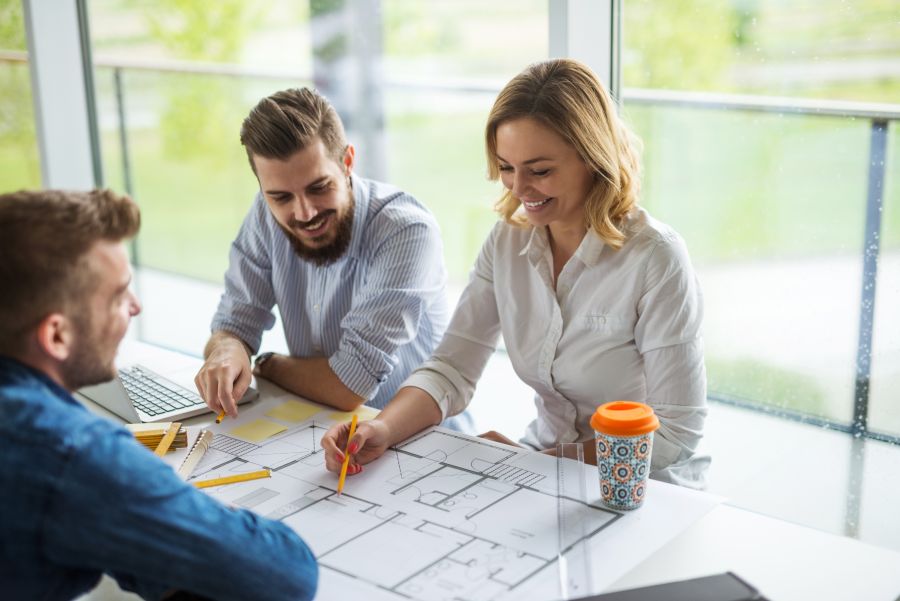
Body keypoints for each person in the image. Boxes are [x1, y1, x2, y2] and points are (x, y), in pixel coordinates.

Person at [322, 58, 710, 489]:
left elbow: (676, 433)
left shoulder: (656, 257)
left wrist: (537, 463)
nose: (519, 189)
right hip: (543, 462)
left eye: (540, 171)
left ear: (592, 157)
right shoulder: (508, 242)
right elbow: (451, 368)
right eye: (506, 167)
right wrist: (383, 429)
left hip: (644, 484)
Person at [0, 189, 317, 601]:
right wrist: (177, 509)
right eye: (117, 295)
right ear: (57, 335)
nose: (135, 307)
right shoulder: (72, 453)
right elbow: (287, 574)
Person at [195, 87, 452, 424]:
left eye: (318, 188)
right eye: (281, 197)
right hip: (315, 429)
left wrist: (267, 364)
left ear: (347, 161)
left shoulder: (405, 231)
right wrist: (227, 350)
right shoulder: (264, 213)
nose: (304, 213)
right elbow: (234, 324)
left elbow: (348, 386)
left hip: (416, 444)